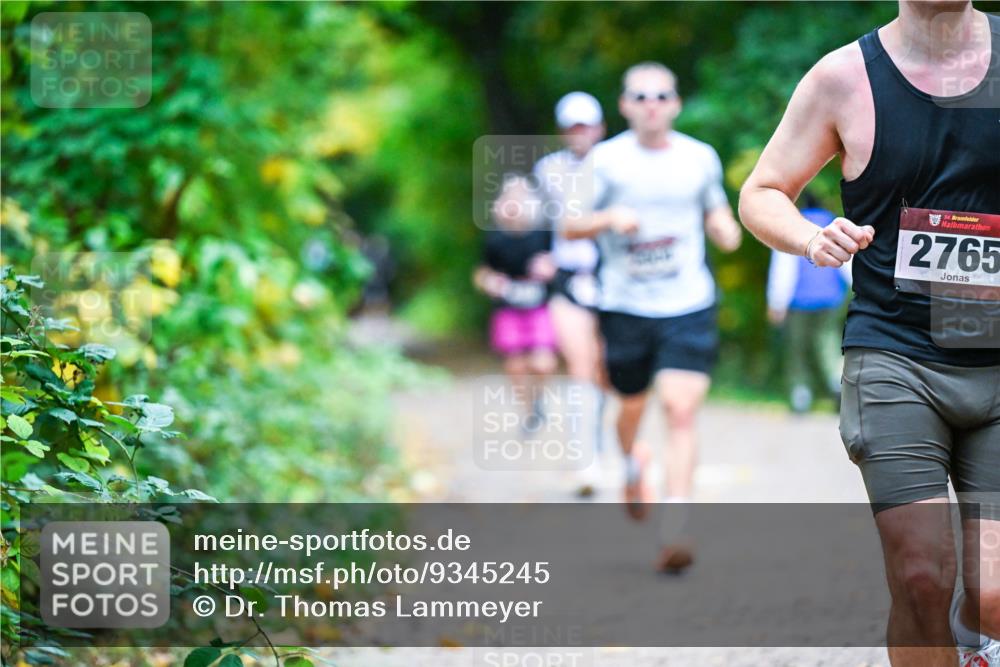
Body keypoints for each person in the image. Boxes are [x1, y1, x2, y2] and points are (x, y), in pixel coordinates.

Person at [739, 3, 999, 664]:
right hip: (896, 355)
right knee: (921, 577)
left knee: (994, 590)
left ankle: (979, 644)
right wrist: (811, 237)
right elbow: (763, 191)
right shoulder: (844, 78)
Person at [564, 62, 742, 572]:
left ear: (676, 104)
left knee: (681, 410)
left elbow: (715, 211)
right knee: (630, 404)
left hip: (688, 301)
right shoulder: (604, 160)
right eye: (640, 96)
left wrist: (725, 229)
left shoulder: (699, 158)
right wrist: (607, 218)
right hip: (624, 305)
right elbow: (571, 225)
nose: (651, 104)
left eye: (662, 95)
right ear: (624, 105)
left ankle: (676, 528)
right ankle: (632, 460)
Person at [534, 91, 607, 497]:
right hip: (566, 275)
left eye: (586, 125)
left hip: (610, 277)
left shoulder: (616, 165)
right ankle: (586, 459)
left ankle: (603, 442)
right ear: (564, 130)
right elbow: (536, 220)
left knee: (605, 369)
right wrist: (537, 256)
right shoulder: (547, 171)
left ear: (599, 128)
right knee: (579, 364)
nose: (579, 133)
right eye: (572, 126)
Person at [474, 175, 558, 429]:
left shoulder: (544, 234)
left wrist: (549, 268)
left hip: (539, 306)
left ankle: (539, 399)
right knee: (516, 365)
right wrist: (490, 282)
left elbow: (559, 263)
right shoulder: (495, 239)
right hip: (508, 308)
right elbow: (482, 272)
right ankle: (530, 412)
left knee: (543, 362)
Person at [766, 192, 851, 413]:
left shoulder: (793, 226)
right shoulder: (832, 224)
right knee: (828, 342)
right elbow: (847, 265)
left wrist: (777, 303)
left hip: (799, 300)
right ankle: (836, 382)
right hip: (830, 297)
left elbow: (783, 269)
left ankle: (800, 394)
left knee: (798, 348)